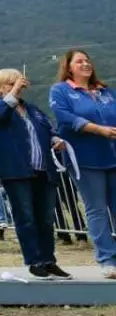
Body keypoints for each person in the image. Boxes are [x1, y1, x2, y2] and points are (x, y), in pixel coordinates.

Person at [0, 68, 71, 279]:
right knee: (26, 217)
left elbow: (48, 130)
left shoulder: (33, 110)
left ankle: (49, 260)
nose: (15, 86)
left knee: (46, 218)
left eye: (16, 82)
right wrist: (13, 93)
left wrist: (55, 140)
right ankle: (34, 261)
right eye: (8, 83)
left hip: (43, 170)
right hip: (17, 172)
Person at [49, 48, 116, 279]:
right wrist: (98, 130)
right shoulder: (61, 91)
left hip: (113, 157)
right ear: (68, 67)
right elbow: (65, 118)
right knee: (97, 209)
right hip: (85, 160)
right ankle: (107, 260)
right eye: (80, 61)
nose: (86, 64)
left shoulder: (105, 92)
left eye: (88, 60)